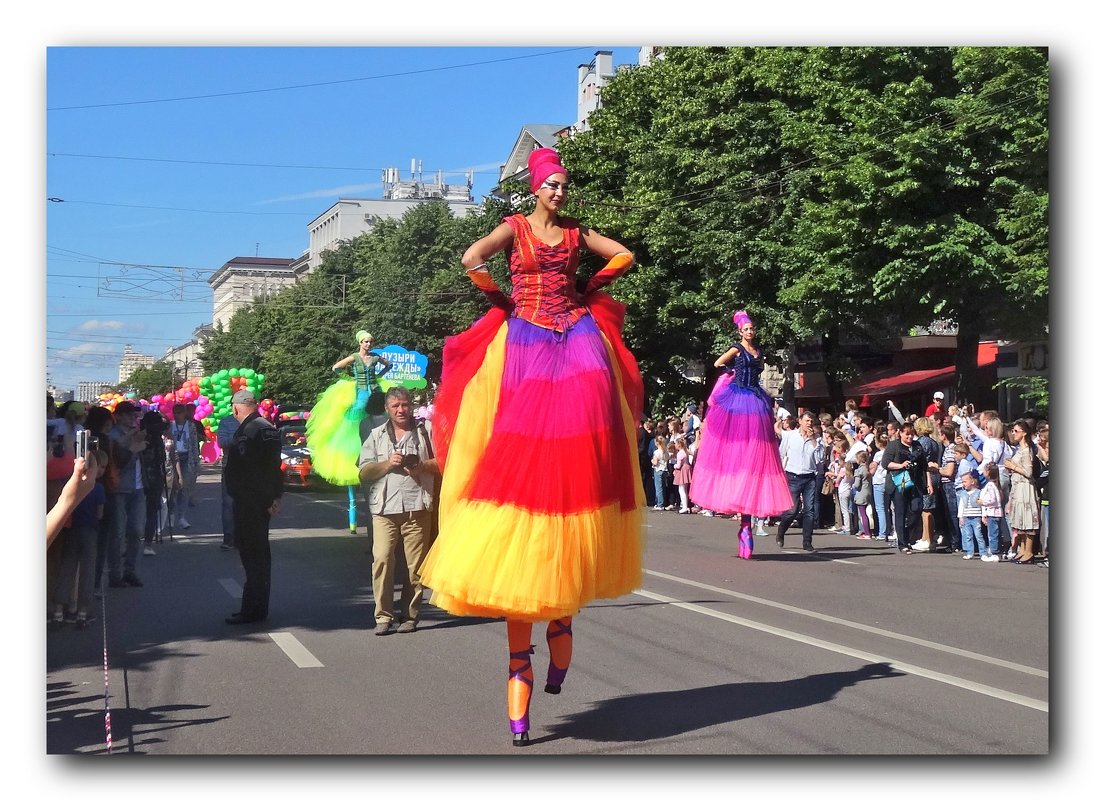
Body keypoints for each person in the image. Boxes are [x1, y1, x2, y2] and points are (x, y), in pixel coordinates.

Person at [417, 147, 645, 747]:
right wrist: (497, 298)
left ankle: (539, 684)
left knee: (580, 428)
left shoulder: (575, 232)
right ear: (537, 188)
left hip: (569, 332)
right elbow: (471, 256)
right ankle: (531, 700)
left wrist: (588, 284)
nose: (561, 194)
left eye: (565, 186)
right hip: (530, 335)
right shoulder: (514, 227)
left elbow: (624, 254)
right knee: (516, 432)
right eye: (553, 186)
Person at [689, 310, 793, 558]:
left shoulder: (759, 352)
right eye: (746, 328)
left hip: (755, 400)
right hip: (738, 397)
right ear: (740, 331)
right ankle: (744, 525)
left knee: (755, 449)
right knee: (737, 445)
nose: (750, 331)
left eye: (752, 328)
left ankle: (747, 522)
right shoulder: (737, 348)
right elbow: (717, 363)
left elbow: (757, 374)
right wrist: (729, 373)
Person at [357, 387, 440, 635]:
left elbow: (445, 461)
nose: (401, 410)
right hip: (384, 509)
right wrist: (387, 464)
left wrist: (422, 465)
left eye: (404, 405)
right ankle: (383, 616)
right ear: (387, 409)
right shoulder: (376, 435)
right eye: (395, 406)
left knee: (415, 567)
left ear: (410, 406)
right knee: (382, 559)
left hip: (418, 507)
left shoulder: (426, 430)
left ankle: (410, 615)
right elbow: (363, 472)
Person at [308, 329, 393, 534]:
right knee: (357, 420)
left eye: (370, 341)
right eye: (365, 341)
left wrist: (379, 376)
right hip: (360, 392)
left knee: (383, 414)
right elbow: (336, 367)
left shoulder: (375, 357)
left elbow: (388, 365)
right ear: (359, 343)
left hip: (375, 391)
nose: (368, 344)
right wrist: (350, 378)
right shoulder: (354, 357)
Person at [223, 389, 283, 625]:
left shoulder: (247, 430)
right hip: (262, 500)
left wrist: (263, 499)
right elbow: (273, 467)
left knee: (252, 557)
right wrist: (275, 497)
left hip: (250, 502)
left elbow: (250, 471)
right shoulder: (267, 426)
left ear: (236, 407)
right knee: (260, 557)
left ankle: (252, 610)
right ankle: (257, 607)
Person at [50, 450, 107, 629]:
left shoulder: (72, 486)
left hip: (73, 531)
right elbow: (100, 514)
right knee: (87, 571)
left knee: (67, 569)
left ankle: (59, 611)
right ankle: (82, 613)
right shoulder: (98, 488)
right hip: (89, 531)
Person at [106, 401, 148, 588]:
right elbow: (117, 462)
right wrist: (132, 448)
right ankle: (116, 574)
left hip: (137, 488)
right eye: (129, 414)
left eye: (135, 415)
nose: (133, 417)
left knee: (136, 531)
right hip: (120, 489)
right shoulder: (113, 436)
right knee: (117, 533)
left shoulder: (136, 432)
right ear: (119, 416)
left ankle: (129, 570)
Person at [771, 411, 821, 552]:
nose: (809, 424)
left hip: (809, 477)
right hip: (793, 476)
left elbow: (820, 458)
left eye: (811, 421)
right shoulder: (790, 435)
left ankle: (807, 542)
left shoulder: (816, 438)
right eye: (806, 421)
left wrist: (813, 440)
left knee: (809, 511)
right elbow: (781, 453)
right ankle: (781, 531)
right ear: (800, 421)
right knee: (792, 511)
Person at [1002, 420, 1041, 564]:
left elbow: (1029, 472)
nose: (1013, 434)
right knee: (1020, 520)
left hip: (1026, 488)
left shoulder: (1026, 450)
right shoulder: (1019, 449)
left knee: (1028, 519)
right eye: (1012, 431)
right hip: (1017, 486)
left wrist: (1013, 466)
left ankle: (1029, 551)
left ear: (1024, 433)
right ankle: (1023, 549)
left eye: (1016, 431)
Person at [881, 422, 922, 555]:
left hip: (915, 483)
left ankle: (907, 535)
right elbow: (885, 463)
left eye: (911, 434)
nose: (909, 437)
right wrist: (901, 465)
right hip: (899, 483)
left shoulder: (917, 446)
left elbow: (924, 465)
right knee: (901, 512)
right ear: (901, 433)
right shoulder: (894, 445)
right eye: (906, 434)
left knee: (916, 509)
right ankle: (903, 543)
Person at [139, 411, 168, 555]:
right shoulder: (148, 438)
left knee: (151, 510)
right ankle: (147, 542)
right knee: (149, 510)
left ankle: (147, 540)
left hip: (153, 476)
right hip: (149, 477)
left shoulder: (155, 438)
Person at [216, 410, 242, 551]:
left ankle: (243, 537)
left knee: (246, 502)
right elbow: (222, 442)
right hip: (230, 467)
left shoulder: (255, 422)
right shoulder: (226, 422)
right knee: (228, 503)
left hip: (250, 468)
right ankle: (229, 538)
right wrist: (239, 439)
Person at [169, 403, 197, 530]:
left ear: (185, 413)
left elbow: (194, 443)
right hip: (173, 458)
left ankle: (181, 516)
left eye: (180, 412)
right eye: (175, 412)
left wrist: (196, 462)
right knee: (173, 487)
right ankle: (170, 515)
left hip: (186, 457)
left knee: (184, 487)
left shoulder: (190, 426)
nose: (177, 415)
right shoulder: (170, 425)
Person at [976, 462, 1005, 562]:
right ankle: (996, 551)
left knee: (992, 534)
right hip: (994, 513)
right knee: (995, 533)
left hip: (993, 513)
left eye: (984, 470)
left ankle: (994, 553)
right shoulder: (995, 485)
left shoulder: (990, 485)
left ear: (988, 472)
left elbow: (992, 500)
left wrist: (982, 502)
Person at [956, 470, 986, 560]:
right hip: (966, 518)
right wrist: (960, 517)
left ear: (972, 482)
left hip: (976, 517)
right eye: (962, 482)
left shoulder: (979, 492)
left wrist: (983, 515)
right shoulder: (963, 494)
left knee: (978, 535)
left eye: (965, 482)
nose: (963, 484)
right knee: (968, 536)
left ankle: (983, 552)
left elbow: (982, 505)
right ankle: (970, 552)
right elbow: (961, 506)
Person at [672, 437, 693, 515]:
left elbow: (678, 465)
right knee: (684, 489)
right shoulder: (685, 451)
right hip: (686, 469)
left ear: (679, 444)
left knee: (681, 489)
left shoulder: (680, 453)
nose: (675, 445)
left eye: (676, 444)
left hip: (682, 471)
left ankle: (684, 507)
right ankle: (685, 506)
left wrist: (674, 466)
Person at [650, 435, 671, 511]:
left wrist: (652, 461)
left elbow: (655, 462)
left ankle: (660, 504)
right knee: (663, 487)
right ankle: (662, 502)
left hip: (658, 470)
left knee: (658, 488)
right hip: (665, 470)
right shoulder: (666, 452)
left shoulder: (656, 452)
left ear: (657, 443)